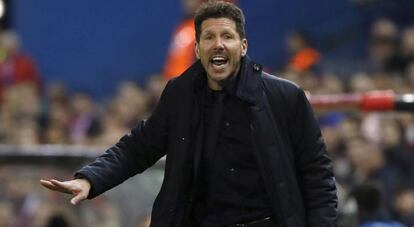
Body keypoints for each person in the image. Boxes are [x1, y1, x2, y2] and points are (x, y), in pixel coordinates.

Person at [40, 1, 337, 226]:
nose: (218, 44)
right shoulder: (180, 95)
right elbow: (138, 148)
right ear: (197, 49)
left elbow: (317, 175)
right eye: (209, 37)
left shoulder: (284, 97)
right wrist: (89, 181)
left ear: (243, 46)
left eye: (227, 36)